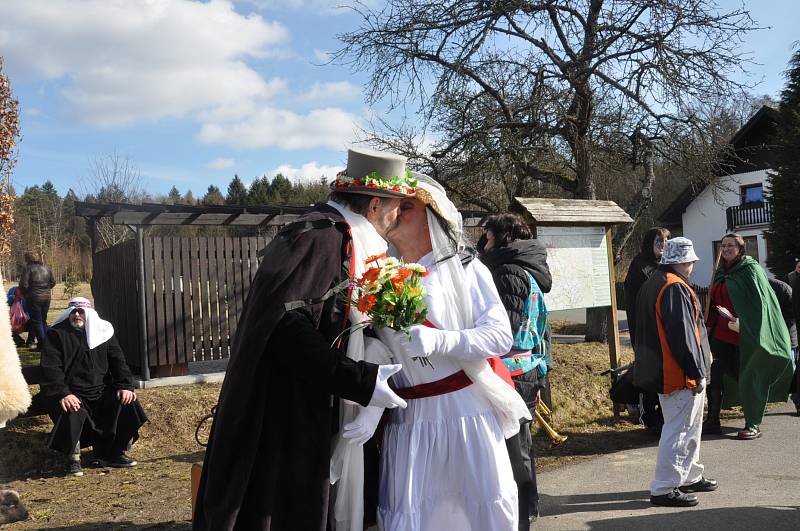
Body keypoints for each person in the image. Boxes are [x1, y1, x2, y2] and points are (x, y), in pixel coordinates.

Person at [192, 147, 413, 531]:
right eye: (396, 208)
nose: (396, 220)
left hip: (309, 405)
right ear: (375, 204)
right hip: (281, 415)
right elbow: (286, 327)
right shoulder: (320, 236)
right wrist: (359, 380)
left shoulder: (335, 234)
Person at [343, 175, 530, 531]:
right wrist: (371, 403)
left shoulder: (465, 270)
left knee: (476, 514)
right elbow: (376, 346)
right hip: (409, 423)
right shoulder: (380, 276)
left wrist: (442, 342)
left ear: (432, 218)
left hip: (465, 416)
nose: (397, 212)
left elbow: (499, 335)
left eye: (408, 206)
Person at [479, 212, 551, 529]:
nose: (483, 242)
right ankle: (526, 505)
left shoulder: (508, 271)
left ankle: (522, 510)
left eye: (488, 236)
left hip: (512, 370)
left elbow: (502, 330)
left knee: (514, 443)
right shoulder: (525, 268)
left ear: (503, 238)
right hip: (527, 368)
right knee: (520, 442)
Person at [633, 237, 716, 507]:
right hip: (677, 373)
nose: (692, 266)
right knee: (680, 429)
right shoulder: (674, 286)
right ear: (683, 261)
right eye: (691, 261)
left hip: (662, 369)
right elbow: (684, 336)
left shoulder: (653, 282)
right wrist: (696, 372)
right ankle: (664, 487)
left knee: (688, 426)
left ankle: (689, 474)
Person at [39, 297, 148, 477]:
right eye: (73, 311)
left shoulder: (103, 332)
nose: (76, 315)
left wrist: (126, 386)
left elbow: (118, 362)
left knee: (127, 403)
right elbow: (51, 369)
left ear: (88, 313)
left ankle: (113, 453)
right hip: (71, 392)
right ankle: (73, 460)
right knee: (72, 409)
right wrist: (63, 393)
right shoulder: (56, 334)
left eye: (80, 311)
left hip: (99, 391)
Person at [703, 233, 793, 439]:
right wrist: (708, 325)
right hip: (720, 335)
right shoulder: (720, 273)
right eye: (723, 245)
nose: (725, 249)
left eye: (730, 246)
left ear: (740, 249)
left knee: (749, 378)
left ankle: (752, 424)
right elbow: (713, 305)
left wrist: (745, 324)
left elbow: (762, 304)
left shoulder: (751, 270)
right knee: (714, 376)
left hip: (746, 336)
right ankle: (712, 419)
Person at [624, 227, 671, 434]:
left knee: (665, 372)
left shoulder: (670, 265)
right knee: (649, 373)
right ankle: (648, 415)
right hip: (645, 329)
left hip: (666, 328)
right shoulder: (639, 265)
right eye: (658, 241)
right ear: (649, 244)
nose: (663, 245)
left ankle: (664, 414)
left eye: (666, 241)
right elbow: (633, 300)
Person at [18, 251, 55, 350]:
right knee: (43, 321)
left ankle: (43, 345)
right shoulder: (47, 268)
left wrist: (27, 293)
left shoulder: (28, 269)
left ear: (27, 259)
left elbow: (23, 285)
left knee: (37, 321)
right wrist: (45, 289)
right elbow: (53, 282)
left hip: (34, 297)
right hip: (47, 297)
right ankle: (47, 343)